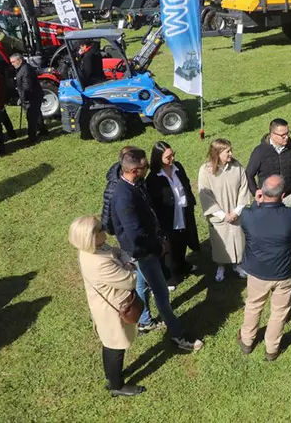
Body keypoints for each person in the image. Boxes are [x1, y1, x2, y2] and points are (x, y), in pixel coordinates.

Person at [111, 148, 204, 350]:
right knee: (161, 295)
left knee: (141, 285)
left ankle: (145, 321)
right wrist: (158, 246)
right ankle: (178, 335)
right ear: (134, 170)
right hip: (144, 253)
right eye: (144, 167)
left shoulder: (134, 184)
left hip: (144, 250)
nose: (148, 169)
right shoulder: (124, 196)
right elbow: (135, 234)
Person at [68, 215, 144, 397]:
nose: (105, 230)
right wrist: (129, 263)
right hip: (111, 310)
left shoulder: (94, 249)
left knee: (110, 344)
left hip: (105, 305)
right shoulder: (99, 263)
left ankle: (112, 375)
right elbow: (130, 280)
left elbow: (116, 251)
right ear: (91, 237)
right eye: (101, 228)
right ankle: (117, 386)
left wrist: (123, 258)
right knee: (115, 346)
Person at [237, 175, 291, 362]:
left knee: (253, 305)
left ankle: (247, 340)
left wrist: (256, 204)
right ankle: (272, 348)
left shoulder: (248, 215)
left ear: (262, 192)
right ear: (283, 195)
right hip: (285, 272)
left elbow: (249, 218)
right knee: (280, 311)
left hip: (258, 272)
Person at [146, 142, 200, 285]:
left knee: (182, 240)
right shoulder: (154, 178)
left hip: (183, 212)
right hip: (168, 218)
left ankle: (183, 265)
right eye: (168, 157)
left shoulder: (178, 168)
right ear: (158, 158)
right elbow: (154, 203)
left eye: (173, 155)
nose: (172, 159)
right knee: (170, 248)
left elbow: (186, 185)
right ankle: (171, 277)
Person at [198, 139, 251, 282]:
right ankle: (221, 266)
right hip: (219, 216)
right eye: (227, 151)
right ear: (217, 153)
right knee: (220, 243)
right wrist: (222, 215)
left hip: (235, 214)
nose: (231, 153)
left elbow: (243, 188)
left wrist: (237, 211)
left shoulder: (236, 166)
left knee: (238, 240)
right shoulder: (205, 171)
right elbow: (205, 195)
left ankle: (237, 264)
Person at [245, 119, 291, 208]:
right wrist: (255, 192)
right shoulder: (260, 151)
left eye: (288, 133)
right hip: (268, 201)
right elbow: (249, 174)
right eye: (283, 135)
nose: (287, 137)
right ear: (272, 134)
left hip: (289, 197)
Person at [10, 53, 47, 143]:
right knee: (37, 114)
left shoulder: (25, 70)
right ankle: (43, 130)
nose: (12, 64)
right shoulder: (23, 68)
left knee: (31, 117)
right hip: (34, 95)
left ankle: (32, 137)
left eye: (13, 62)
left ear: (19, 60)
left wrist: (23, 99)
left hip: (32, 97)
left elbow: (27, 87)